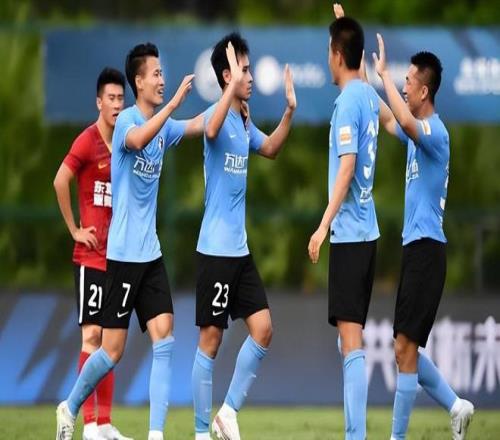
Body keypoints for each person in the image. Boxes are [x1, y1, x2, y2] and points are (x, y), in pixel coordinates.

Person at [56, 42, 204, 440]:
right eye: (156, 74)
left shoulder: (162, 126)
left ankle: (155, 434)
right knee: (111, 351)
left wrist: (229, 96)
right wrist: (172, 106)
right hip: (121, 257)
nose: (162, 79)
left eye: (162, 73)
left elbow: (198, 124)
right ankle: (70, 407)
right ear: (138, 81)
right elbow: (138, 140)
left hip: (150, 254)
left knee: (164, 336)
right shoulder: (126, 122)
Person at [191, 32, 296, 440]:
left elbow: (269, 149)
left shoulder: (243, 120)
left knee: (263, 328)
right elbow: (210, 131)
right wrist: (231, 90)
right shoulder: (216, 116)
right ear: (227, 75)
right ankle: (201, 433)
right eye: (244, 70)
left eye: (250, 71)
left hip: (240, 250)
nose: (250, 77)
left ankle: (228, 413)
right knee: (211, 340)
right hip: (215, 250)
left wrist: (289, 112)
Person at [372, 31, 474, 440]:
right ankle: (456, 405)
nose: (403, 86)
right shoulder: (417, 133)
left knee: (404, 349)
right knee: (404, 348)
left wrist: (382, 75)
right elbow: (387, 118)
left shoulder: (436, 133)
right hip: (416, 250)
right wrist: (360, 73)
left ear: (424, 90)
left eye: (408, 81)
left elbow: (405, 122)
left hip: (428, 250)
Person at [307, 13, 380, 440]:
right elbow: (362, 71)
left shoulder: (350, 102)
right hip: (367, 234)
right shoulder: (367, 94)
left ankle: (356, 436)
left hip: (350, 235)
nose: (327, 58)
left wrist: (322, 225)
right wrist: (345, 23)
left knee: (351, 343)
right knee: (347, 341)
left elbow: (347, 167)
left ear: (337, 55)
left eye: (329, 51)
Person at [53, 67, 132, 440]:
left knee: (111, 342)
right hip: (91, 258)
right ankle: (87, 425)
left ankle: (104, 423)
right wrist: (74, 229)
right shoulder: (87, 141)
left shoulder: (127, 142)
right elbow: (60, 180)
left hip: (118, 259)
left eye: (120, 98)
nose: (116, 104)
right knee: (93, 336)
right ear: (99, 102)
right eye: (111, 98)